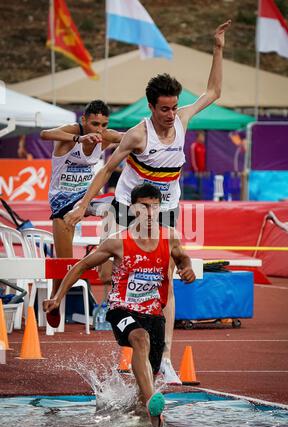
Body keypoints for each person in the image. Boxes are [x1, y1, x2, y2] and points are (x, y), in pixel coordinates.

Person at [63, 20, 231, 383]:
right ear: (152, 107)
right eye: (165, 109)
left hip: (165, 209)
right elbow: (107, 169)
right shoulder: (138, 135)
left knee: (163, 278)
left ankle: (164, 357)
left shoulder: (183, 120)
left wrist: (218, 48)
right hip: (125, 205)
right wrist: (80, 207)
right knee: (109, 269)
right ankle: (120, 318)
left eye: (174, 108)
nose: (171, 115)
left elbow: (214, 91)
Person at [43, 183, 196, 427]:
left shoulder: (170, 236)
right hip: (122, 309)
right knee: (140, 339)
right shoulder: (118, 242)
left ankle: (138, 412)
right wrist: (58, 297)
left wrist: (186, 267)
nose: (149, 212)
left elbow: (182, 256)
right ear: (133, 208)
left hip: (154, 313)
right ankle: (151, 405)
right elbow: (81, 266)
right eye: (144, 206)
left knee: (147, 377)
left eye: (154, 207)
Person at [40, 100, 124, 307]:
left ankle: (106, 263)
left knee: (118, 208)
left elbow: (132, 137)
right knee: (65, 265)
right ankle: (55, 298)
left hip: (88, 196)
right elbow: (45, 134)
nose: (100, 130)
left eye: (104, 124)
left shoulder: (105, 137)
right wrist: (80, 137)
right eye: (95, 124)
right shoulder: (72, 132)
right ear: (83, 120)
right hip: (62, 201)